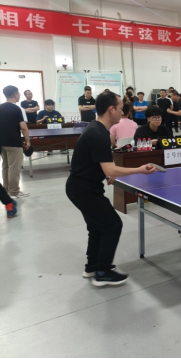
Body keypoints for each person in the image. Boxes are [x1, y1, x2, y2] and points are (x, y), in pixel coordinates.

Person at [67, 91, 157, 287]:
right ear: (111, 109)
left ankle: (93, 266)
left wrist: (107, 172)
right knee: (112, 225)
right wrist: (140, 170)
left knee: (97, 226)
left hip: (84, 186)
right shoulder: (98, 133)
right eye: (121, 108)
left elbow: (100, 163)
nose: (123, 112)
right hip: (83, 189)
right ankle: (103, 272)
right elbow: (110, 168)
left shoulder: (98, 129)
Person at [0, 86, 31, 198]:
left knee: (6, 166)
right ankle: (14, 191)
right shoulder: (18, 109)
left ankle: (6, 189)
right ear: (15, 95)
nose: (19, 95)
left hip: (1, 142)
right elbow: (23, 128)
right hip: (14, 142)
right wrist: (27, 141)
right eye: (19, 93)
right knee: (14, 168)